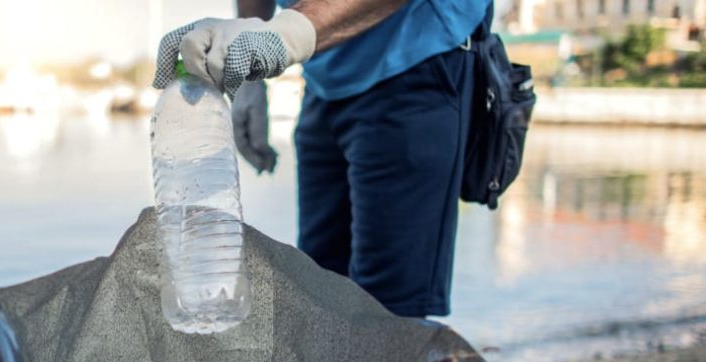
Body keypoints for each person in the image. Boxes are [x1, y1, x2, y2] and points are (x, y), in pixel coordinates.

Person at [154, 0, 492, 318]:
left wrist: (287, 34)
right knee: (320, 286)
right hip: (324, 76)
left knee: (386, 307)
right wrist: (250, 72)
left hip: (414, 60)